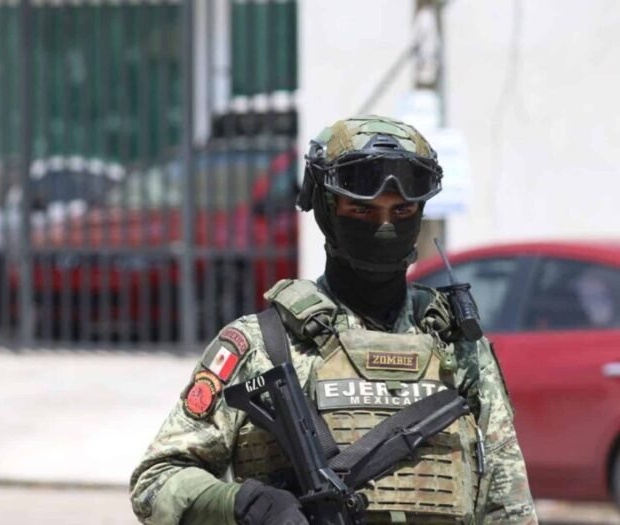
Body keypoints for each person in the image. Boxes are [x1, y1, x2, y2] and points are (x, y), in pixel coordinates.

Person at [129, 116, 537, 525]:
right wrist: (247, 504)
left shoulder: (459, 348)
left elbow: (509, 507)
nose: (384, 226)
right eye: (362, 209)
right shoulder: (262, 345)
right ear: (327, 210)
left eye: (401, 210)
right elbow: (155, 482)